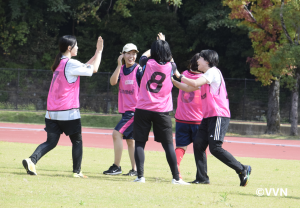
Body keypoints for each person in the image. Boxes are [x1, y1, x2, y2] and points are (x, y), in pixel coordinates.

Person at [22, 35, 104, 178]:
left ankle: (31, 160)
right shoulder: (70, 64)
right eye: (76, 45)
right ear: (69, 48)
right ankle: (77, 172)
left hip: (51, 113)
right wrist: (100, 51)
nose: (78, 47)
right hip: (68, 112)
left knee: (51, 142)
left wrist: (95, 54)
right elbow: (94, 69)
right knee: (77, 141)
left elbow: (84, 66)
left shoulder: (60, 63)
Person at [172, 49, 251, 186]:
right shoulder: (205, 75)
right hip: (208, 117)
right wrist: (172, 78)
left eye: (200, 58)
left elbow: (194, 84)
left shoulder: (213, 72)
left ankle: (242, 169)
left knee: (215, 148)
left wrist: (178, 74)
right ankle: (202, 178)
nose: (197, 60)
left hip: (218, 115)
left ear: (207, 61)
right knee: (198, 144)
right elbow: (187, 88)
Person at [132, 33, 189, 185]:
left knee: (139, 143)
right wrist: (164, 44)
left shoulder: (147, 62)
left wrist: (157, 46)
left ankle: (141, 176)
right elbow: (170, 59)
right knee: (168, 145)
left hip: (143, 108)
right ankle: (176, 178)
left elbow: (144, 55)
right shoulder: (172, 66)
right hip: (162, 111)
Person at [103, 43, 143, 176]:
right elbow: (113, 82)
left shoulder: (139, 69)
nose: (131, 56)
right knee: (130, 141)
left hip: (135, 111)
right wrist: (119, 65)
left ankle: (116, 166)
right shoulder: (121, 69)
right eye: (128, 53)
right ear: (123, 54)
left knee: (116, 134)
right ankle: (135, 170)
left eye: (134, 53)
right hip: (126, 111)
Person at [173, 53, 205, 180]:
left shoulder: (184, 74)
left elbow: (174, 68)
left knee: (180, 146)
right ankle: (201, 176)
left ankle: (176, 170)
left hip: (181, 117)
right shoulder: (204, 77)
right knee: (200, 148)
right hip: (198, 119)